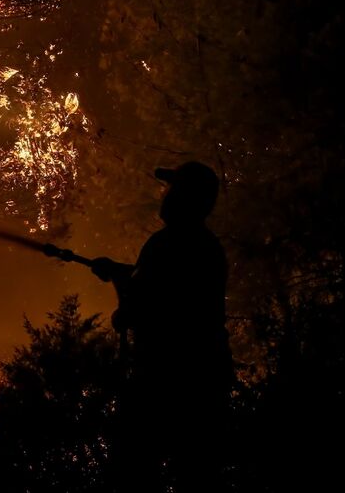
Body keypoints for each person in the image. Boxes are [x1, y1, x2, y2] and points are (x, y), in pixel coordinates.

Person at [80, 161, 232, 490]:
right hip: (203, 376)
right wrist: (118, 270)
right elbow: (154, 282)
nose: (166, 194)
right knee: (195, 472)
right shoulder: (198, 244)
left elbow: (156, 300)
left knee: (140, 469)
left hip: (173, 378)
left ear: (188, 198)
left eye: (173, 189)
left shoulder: (172, 243)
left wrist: (125, 306)